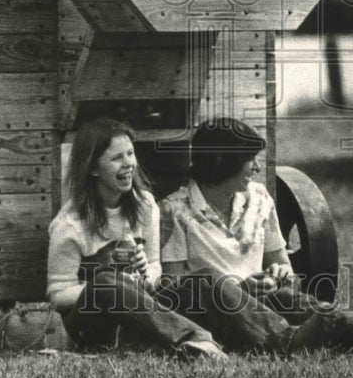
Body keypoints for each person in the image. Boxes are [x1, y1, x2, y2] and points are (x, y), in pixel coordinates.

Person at [158, 117, 353, 358]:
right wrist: (238, 289)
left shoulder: (259, 198)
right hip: (215, 310)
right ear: (220, 160)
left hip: (262, 300)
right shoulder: (175, 210)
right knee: (209, 280)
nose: (258, 166)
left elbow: (285, 266)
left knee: (293, 300)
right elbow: (175, 288)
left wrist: (279, 272)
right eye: (250, 159)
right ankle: (288, 341)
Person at [47, 117, 226, 359]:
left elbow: (155, 266)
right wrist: (111, 285)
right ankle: (195, 341)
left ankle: (282, 334)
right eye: (117, 158)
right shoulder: (69, 225)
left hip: (142, 308)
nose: (129, 164)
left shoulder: (145, 205)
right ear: (93, 168)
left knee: (205, 280)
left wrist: (146, 275)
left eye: (130, 153)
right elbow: (57, 295)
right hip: (94, 323)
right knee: (108, 282)